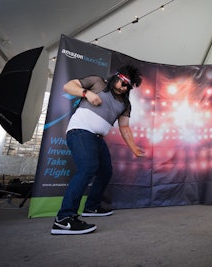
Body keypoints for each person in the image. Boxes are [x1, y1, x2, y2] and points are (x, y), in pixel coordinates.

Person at [51, 64, 145, 235]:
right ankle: (64, 219)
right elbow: (68, 86)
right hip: (80, 131)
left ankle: (91, 207)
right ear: (117, 76)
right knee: (87, 168)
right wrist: (86, 93)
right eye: (123, 83)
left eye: (128, 86)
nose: (124, 88)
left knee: (105, 171)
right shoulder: (97, 83)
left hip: (97, 138)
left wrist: (134, 148)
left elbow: (124, 128)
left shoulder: (125, 104)